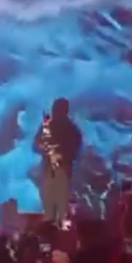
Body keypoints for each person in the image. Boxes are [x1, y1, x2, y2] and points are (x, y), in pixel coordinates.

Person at [33, 98, 82, 229]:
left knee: (56, 208)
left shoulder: (65, 128)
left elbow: (37, 145)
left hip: (57, 171)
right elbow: (37, 144)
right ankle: (55, 232)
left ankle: (53, 232)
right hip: (55, 170)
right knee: (57, 207)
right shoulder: (70, 128)